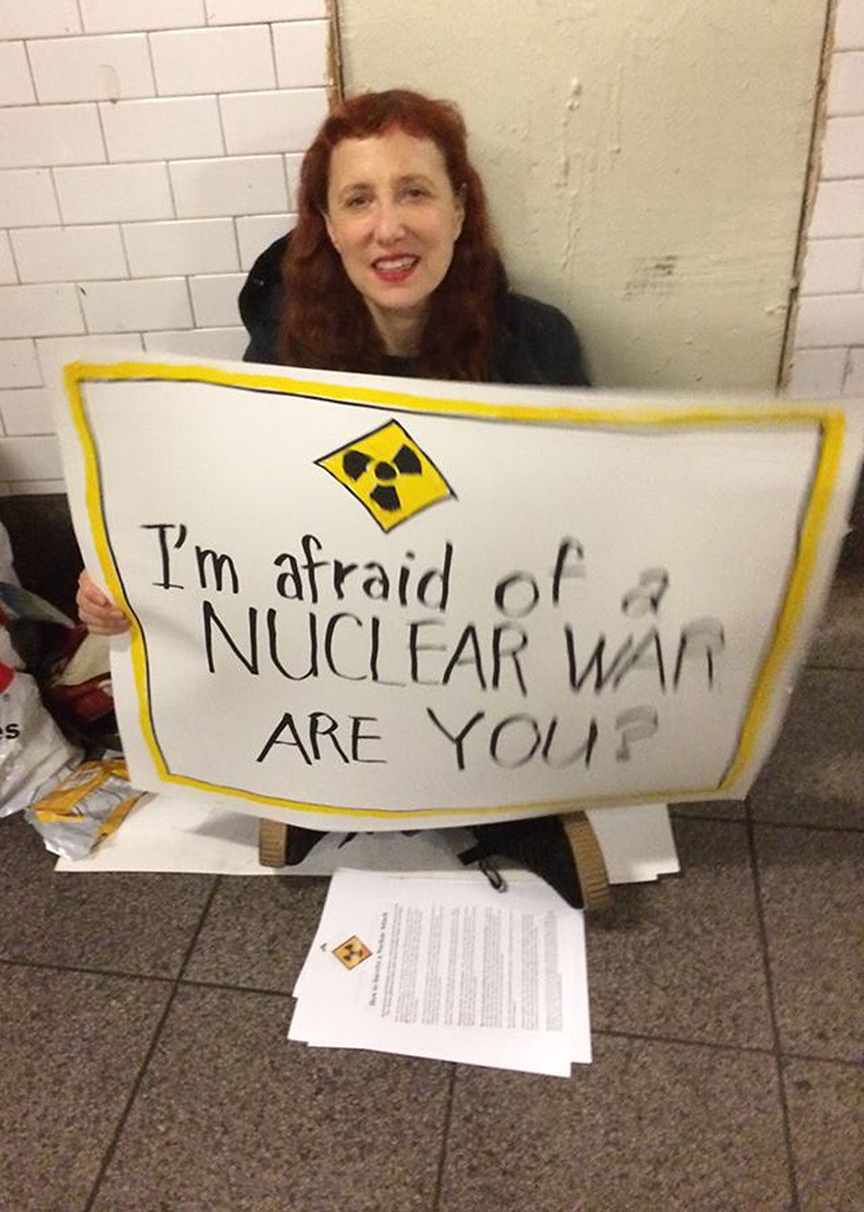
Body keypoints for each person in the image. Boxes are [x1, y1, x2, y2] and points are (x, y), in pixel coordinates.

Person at [76, 89, 592, 903]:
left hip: (487, 641)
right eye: (359, 200)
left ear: (461, 209)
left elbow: (589, 519)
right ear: (329, 226)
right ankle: (326, 777)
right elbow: (226, 509)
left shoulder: (540, 343)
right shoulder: (281, 355)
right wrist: (124, 579)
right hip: (344, 641)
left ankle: (512, 804)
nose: (389, 227)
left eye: (415, 191)